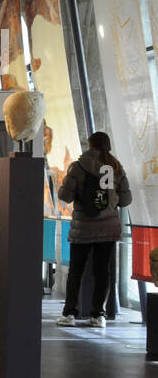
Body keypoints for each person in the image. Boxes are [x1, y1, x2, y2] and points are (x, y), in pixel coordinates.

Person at [55, 131, 131, 328]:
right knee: (102, 272)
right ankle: (99, 315)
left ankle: (70, 314)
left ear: (89, 145)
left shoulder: (79, 166)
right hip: (108, 228)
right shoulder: (116, 167)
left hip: (83, 227)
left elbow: (66, 196)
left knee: (76, 271)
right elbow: (126, 200)